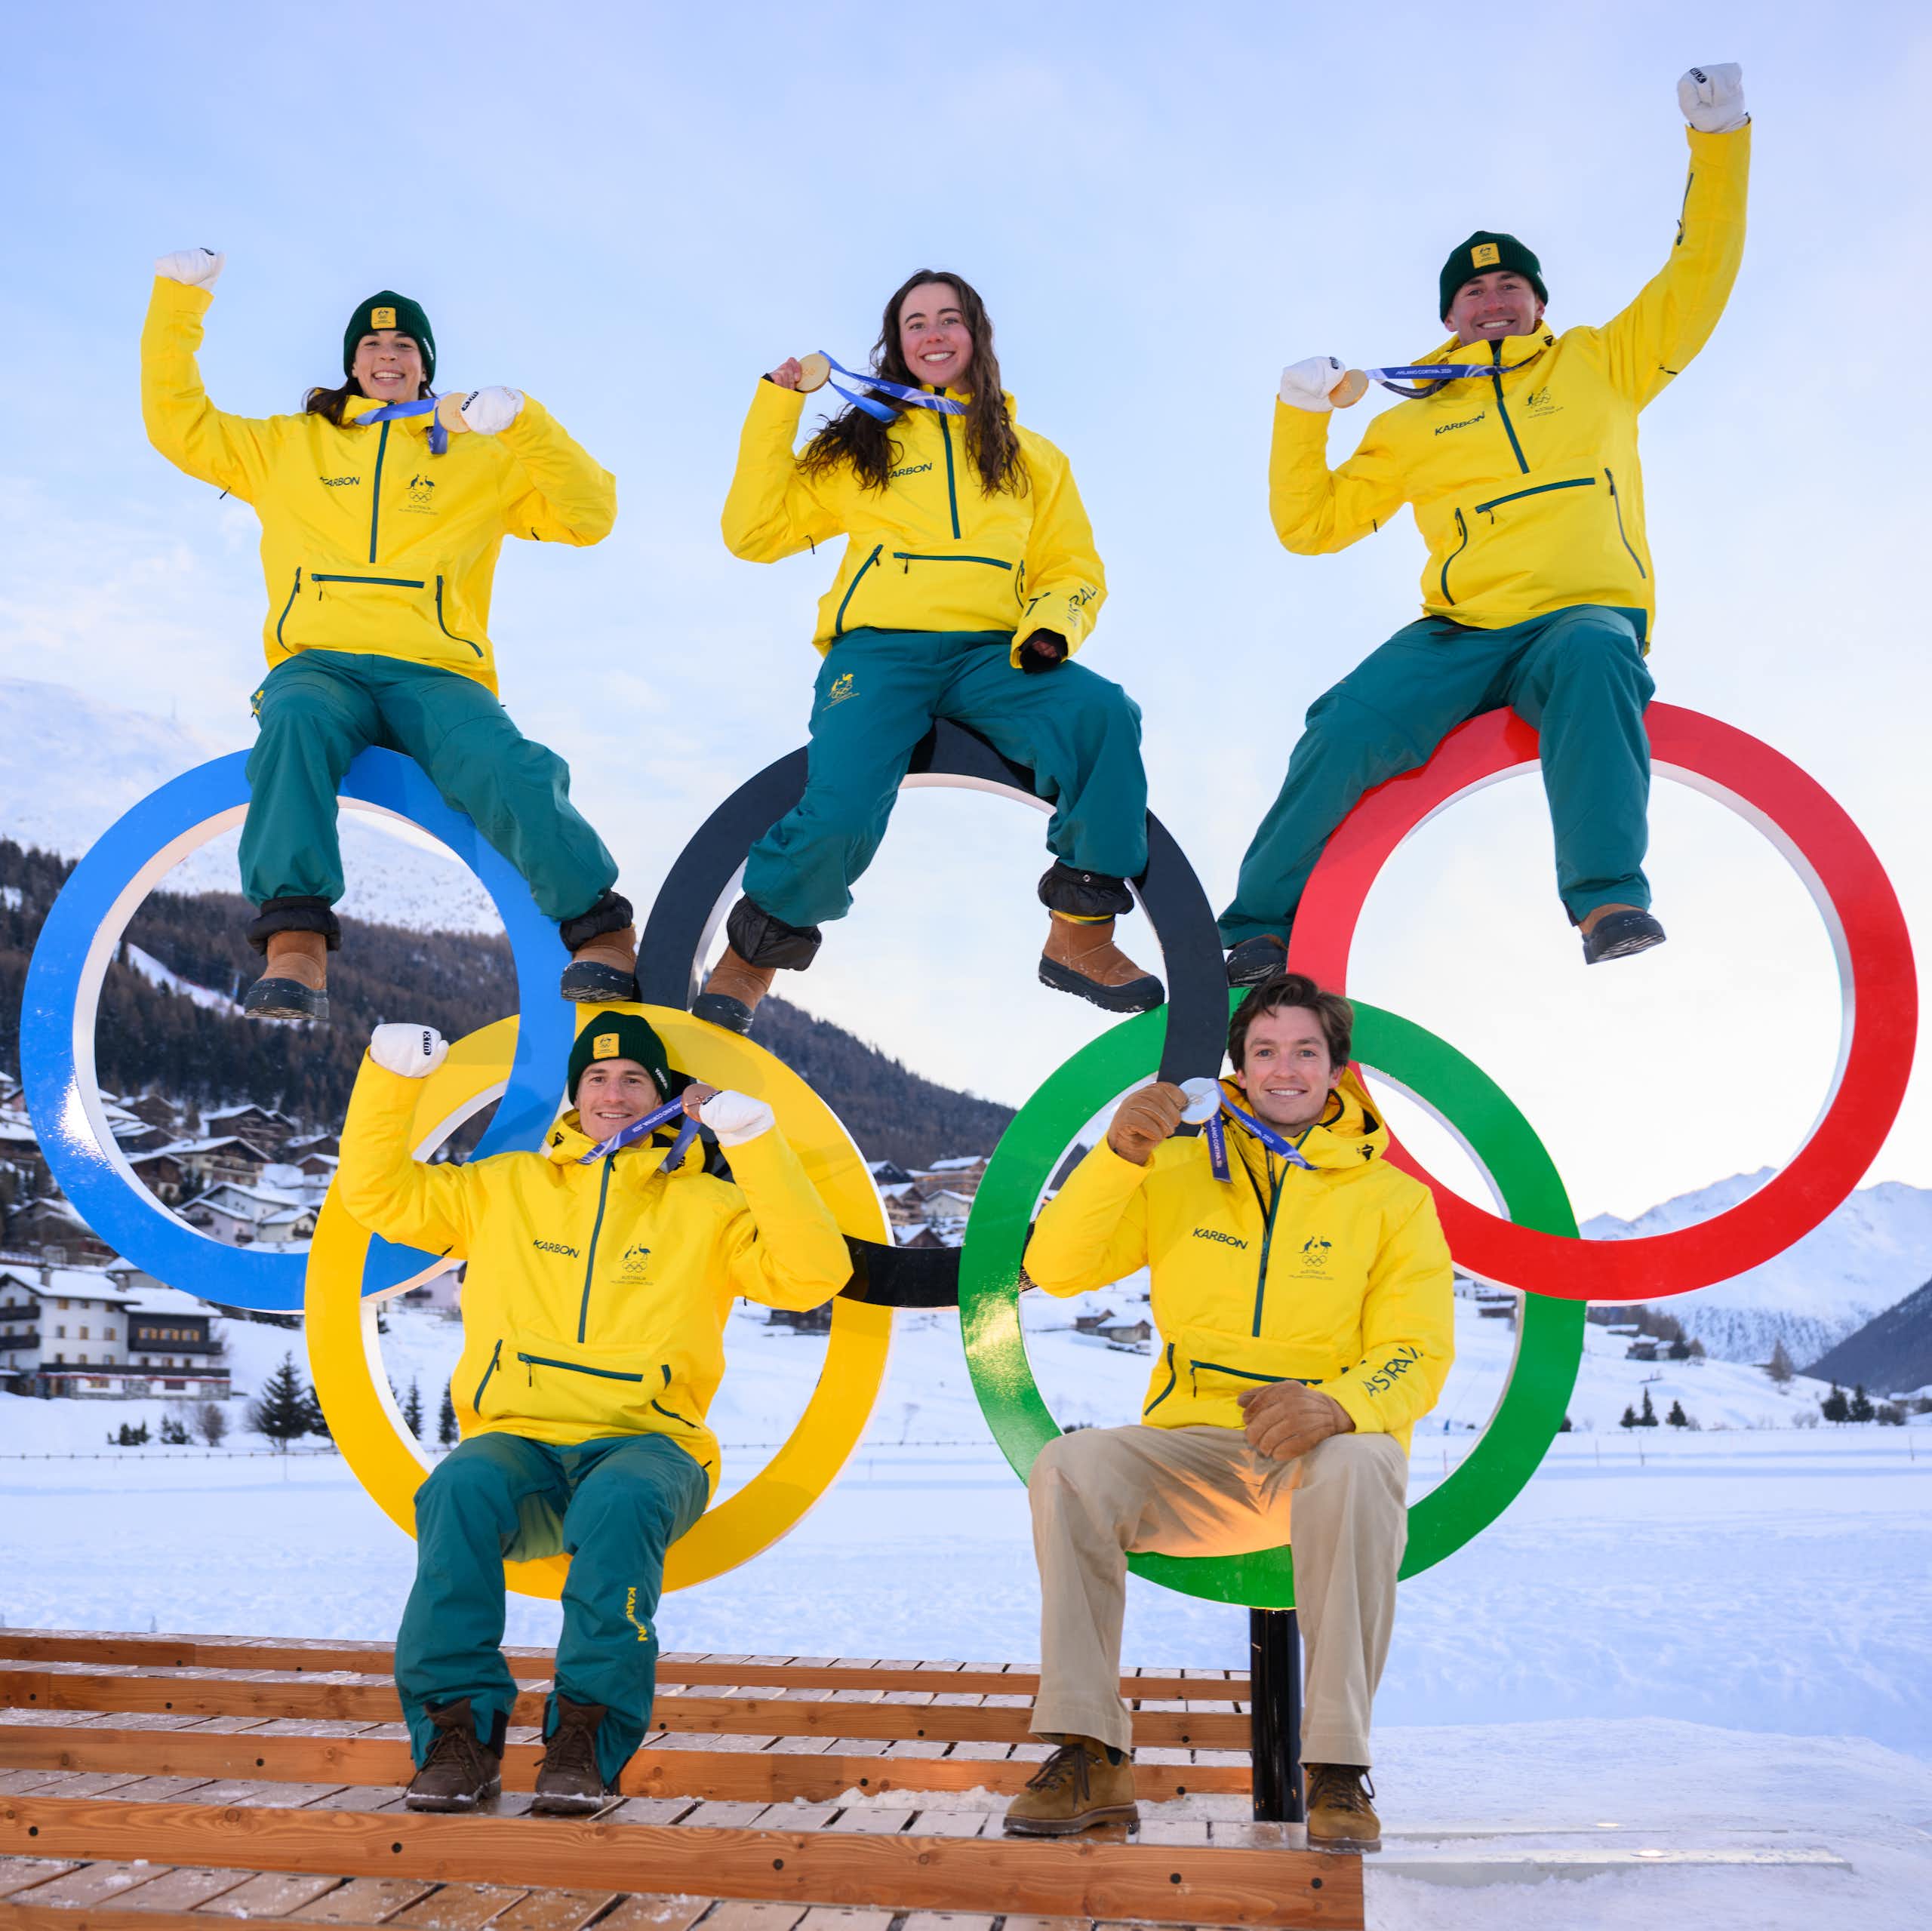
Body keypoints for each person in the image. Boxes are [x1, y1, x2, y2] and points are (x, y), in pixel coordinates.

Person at [1220, 65, 1751, 981]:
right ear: (1449, 316)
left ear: (1538, 303)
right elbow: (1310, 526)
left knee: (1594, 657)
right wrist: (1301, 414)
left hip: (1580, 615)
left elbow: (1698, 274)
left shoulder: (1601, 364)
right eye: (1474, 293)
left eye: (1511, 285)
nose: (1494, 299)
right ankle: (1259, 928)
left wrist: (1720, 138)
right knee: (1346, 723)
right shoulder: (1412, 417)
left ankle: (1608, 900)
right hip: (1460, 632)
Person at [334, 1009, 852, 1813]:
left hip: (650, 1446)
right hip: (521, 1445)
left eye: (634, 1078)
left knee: (621, 1501)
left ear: (666, 1094)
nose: (614, 1093)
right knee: (456, 1491)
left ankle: (585, 1741)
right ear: (574, 1097)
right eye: (598, 1078)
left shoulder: (708, 1208)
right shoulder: (502, 1186)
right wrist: (392, 1081)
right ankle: (456, 1738)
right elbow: (377, 1192)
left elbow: (813, 1272)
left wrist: (755, 1146)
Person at [1007, 973, 1454, 1851]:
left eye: (1304, 1051)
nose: (1284, 1068)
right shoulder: (1174, 1167)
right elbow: (1057, 1267)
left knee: (1365, 1460)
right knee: (1071, 1466)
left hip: (1320, 1455)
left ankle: (1335, 1770)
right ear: (1238, 1071)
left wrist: (1337, 1406)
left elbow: (1418, 1351)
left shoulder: (1393, 1200)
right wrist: (1116, 1156)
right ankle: (1090, 1752)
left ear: (1336, 1071)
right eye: (1264, 1051)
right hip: (1194, 1453)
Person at [141, 251, 640, 1022]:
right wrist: (180, 302)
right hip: (321, 665)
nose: (387, 356)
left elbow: (589, 514)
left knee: (504, 763)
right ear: (351, 362)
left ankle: (600, 932)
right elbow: (179, 424)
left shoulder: (479, 454)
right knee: (294, 722)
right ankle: (295, 943)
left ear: (425, 366)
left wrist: (523, 424)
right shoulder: (287, 446)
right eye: (373, 346)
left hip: (434, 673)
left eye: (404, 346)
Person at [698, 269, 1162, 1033]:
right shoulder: (861, 445)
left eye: (949, 319)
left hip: (995, 655)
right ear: (897, 345)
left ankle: (1080, 933)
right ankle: (755, 950)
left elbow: (1074, 569)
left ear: (976, 335)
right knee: (843, 805)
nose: (934, 334)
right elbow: (751, 533)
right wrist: (777, 405)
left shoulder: (1033, 458)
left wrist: (1052, 627)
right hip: (881, 653)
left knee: (1103, 715)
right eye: (915, 323)